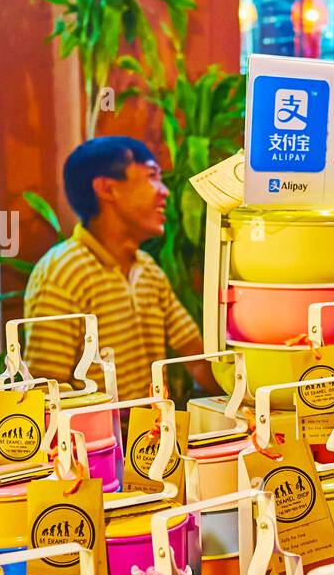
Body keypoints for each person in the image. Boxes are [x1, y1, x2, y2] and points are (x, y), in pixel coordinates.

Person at [24, 136, 215, 400]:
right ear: (106, 188)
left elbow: (197, 358)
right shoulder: (62, 273)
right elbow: (44, 392)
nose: (165, 191)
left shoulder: (147, 269)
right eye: (151, 176)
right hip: (95, 441)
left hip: (149, 435)